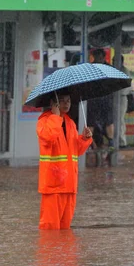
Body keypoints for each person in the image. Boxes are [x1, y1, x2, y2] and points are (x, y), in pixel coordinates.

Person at [37, 89, 93, 230]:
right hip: (53, 186)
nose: (66, 103)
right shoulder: (44, 121)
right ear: (53, 103)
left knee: (65, 230)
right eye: (62, 100)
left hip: (69, 185)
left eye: (68, 100)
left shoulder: (70, 123)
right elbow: (49, 137)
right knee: (50, 229)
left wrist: (85, 138)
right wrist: (55, 117)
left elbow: (76, 151)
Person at [87, 49, 116, 150]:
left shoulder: (109, 69)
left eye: (99, 56)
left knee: (108, 121)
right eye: (96, 56)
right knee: (91, 122)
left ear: (103, 57)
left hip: (105, 98)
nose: (98, 58)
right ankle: (89, 143)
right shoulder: (89, 69)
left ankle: (111, 142)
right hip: (93, 99)